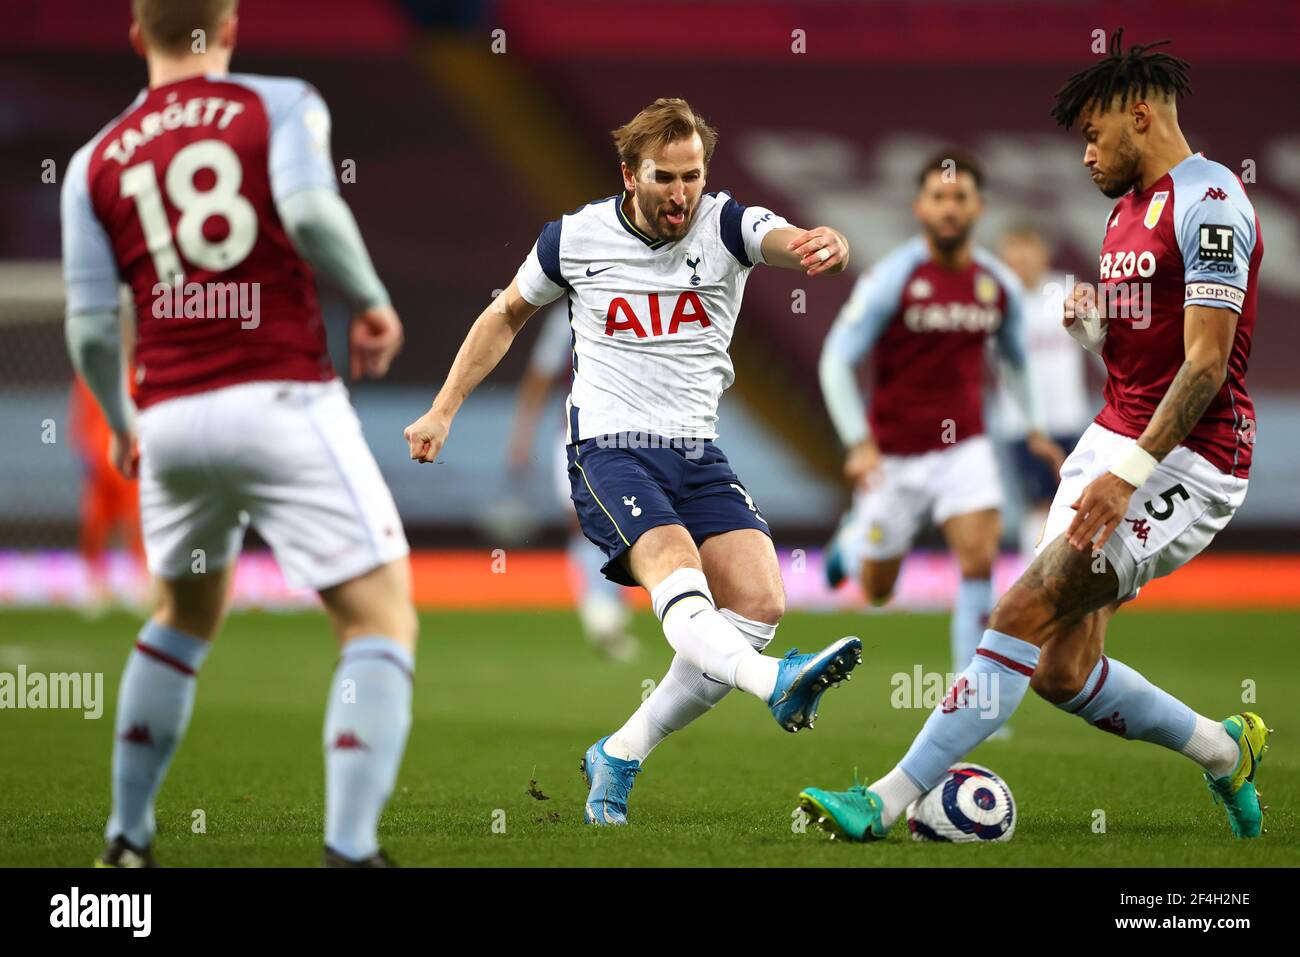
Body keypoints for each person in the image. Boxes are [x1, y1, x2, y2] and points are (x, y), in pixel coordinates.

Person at [798, 30, 1269, 842]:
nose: (1084, 155)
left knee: (1022, 604)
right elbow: (1144, 339)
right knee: (1061, 669)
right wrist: (1095, 328)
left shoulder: (1213, 202)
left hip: (1191, 459)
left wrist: (1126, 477)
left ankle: (884, 798)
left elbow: (1204, 366)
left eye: (1093, 134)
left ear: (1141, 115)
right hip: (1110, 440)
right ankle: (1225, 750)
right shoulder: (1124, 214)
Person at [405, 98, 861, 826]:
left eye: (693, 176)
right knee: (681, 576)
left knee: (761, 604)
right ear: (629, 174)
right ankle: (773, 682)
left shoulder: (728, 224)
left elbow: (784, 238)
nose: (682, 193)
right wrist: (444, 407)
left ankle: (617, 753)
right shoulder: (574, 239)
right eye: (665, 178)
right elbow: (504, 316)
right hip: (610, 449)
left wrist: (819, 241)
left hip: (697, 451)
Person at [63, 0, 415, 867]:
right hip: (281, 395)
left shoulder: (92, 162)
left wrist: (120, 419)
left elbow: (92, 327)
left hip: (172, 419)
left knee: (182, 615)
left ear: (136, 33)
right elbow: (309, 213)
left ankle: (128, 838)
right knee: (377, 618)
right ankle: (350, 851)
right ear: (228, 29)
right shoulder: (277, 102)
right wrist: (370, 300)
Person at [819, 151, 1064, 676]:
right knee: (877, 590)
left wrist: (1037, 428)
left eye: (960, 197)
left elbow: (1016, 359)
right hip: (893, 456)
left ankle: (969, 695)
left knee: (978, 561)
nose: (949, 208)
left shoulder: (995, 282)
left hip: (965, 447)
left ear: (979, 207)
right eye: (939, 197)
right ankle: (853, 537)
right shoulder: (893, 277)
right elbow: (837, 359)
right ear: (919, 208)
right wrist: (859, 444)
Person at [506, 303, 638, 662]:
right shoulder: (565, 316)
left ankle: (608, 607)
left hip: (631, 437)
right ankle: (600, 609)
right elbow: (539, 376)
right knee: (583, 523)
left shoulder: (634, 302)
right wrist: (522, 437)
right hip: (577, 437)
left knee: (626, 524)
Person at [990, 222, 1097, 560]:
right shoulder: (996, 301)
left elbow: (1102, 340)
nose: (1021, 260)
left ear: (1043, 254)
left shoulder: (1066, 289)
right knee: (1037, 504)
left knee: (1075, 502)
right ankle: (1031, 579)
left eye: (1028, 251)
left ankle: (1065, 578)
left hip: (1069, 417)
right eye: (1013, 253)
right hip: (1021, 424)